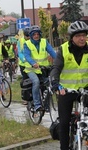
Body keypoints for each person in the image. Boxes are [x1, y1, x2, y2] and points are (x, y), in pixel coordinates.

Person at [50, 21, 88, 150]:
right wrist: (55, 83)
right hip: (65, 90)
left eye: (84, 35)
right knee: (64, 123)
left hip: (85, 89)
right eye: (78, 36)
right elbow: (56, 68)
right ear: (72, 38)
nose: (82, 38)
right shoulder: (63, 49)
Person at [24, 25, 56, 112]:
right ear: (31, 35)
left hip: (43, 69)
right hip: (31, 69)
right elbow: (26, 55)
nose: (36, 36)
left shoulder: (44, 42)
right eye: (34, 34)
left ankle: (46, 105)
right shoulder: (27, 44)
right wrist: (33, 63)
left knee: (49, 83)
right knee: (36, 82)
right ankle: (37, 104)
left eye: (38, 34)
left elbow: (52, 52)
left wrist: (58, 61)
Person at [17, 27, 30, 104]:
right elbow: (20, 52)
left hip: (32, 64)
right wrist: (25, 59)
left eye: (29, 36)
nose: (28, 37)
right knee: (26, 80)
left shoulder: (32, 40)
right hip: (23, 64)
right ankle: (25, 98)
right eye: (27, 36)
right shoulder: (20, 41)